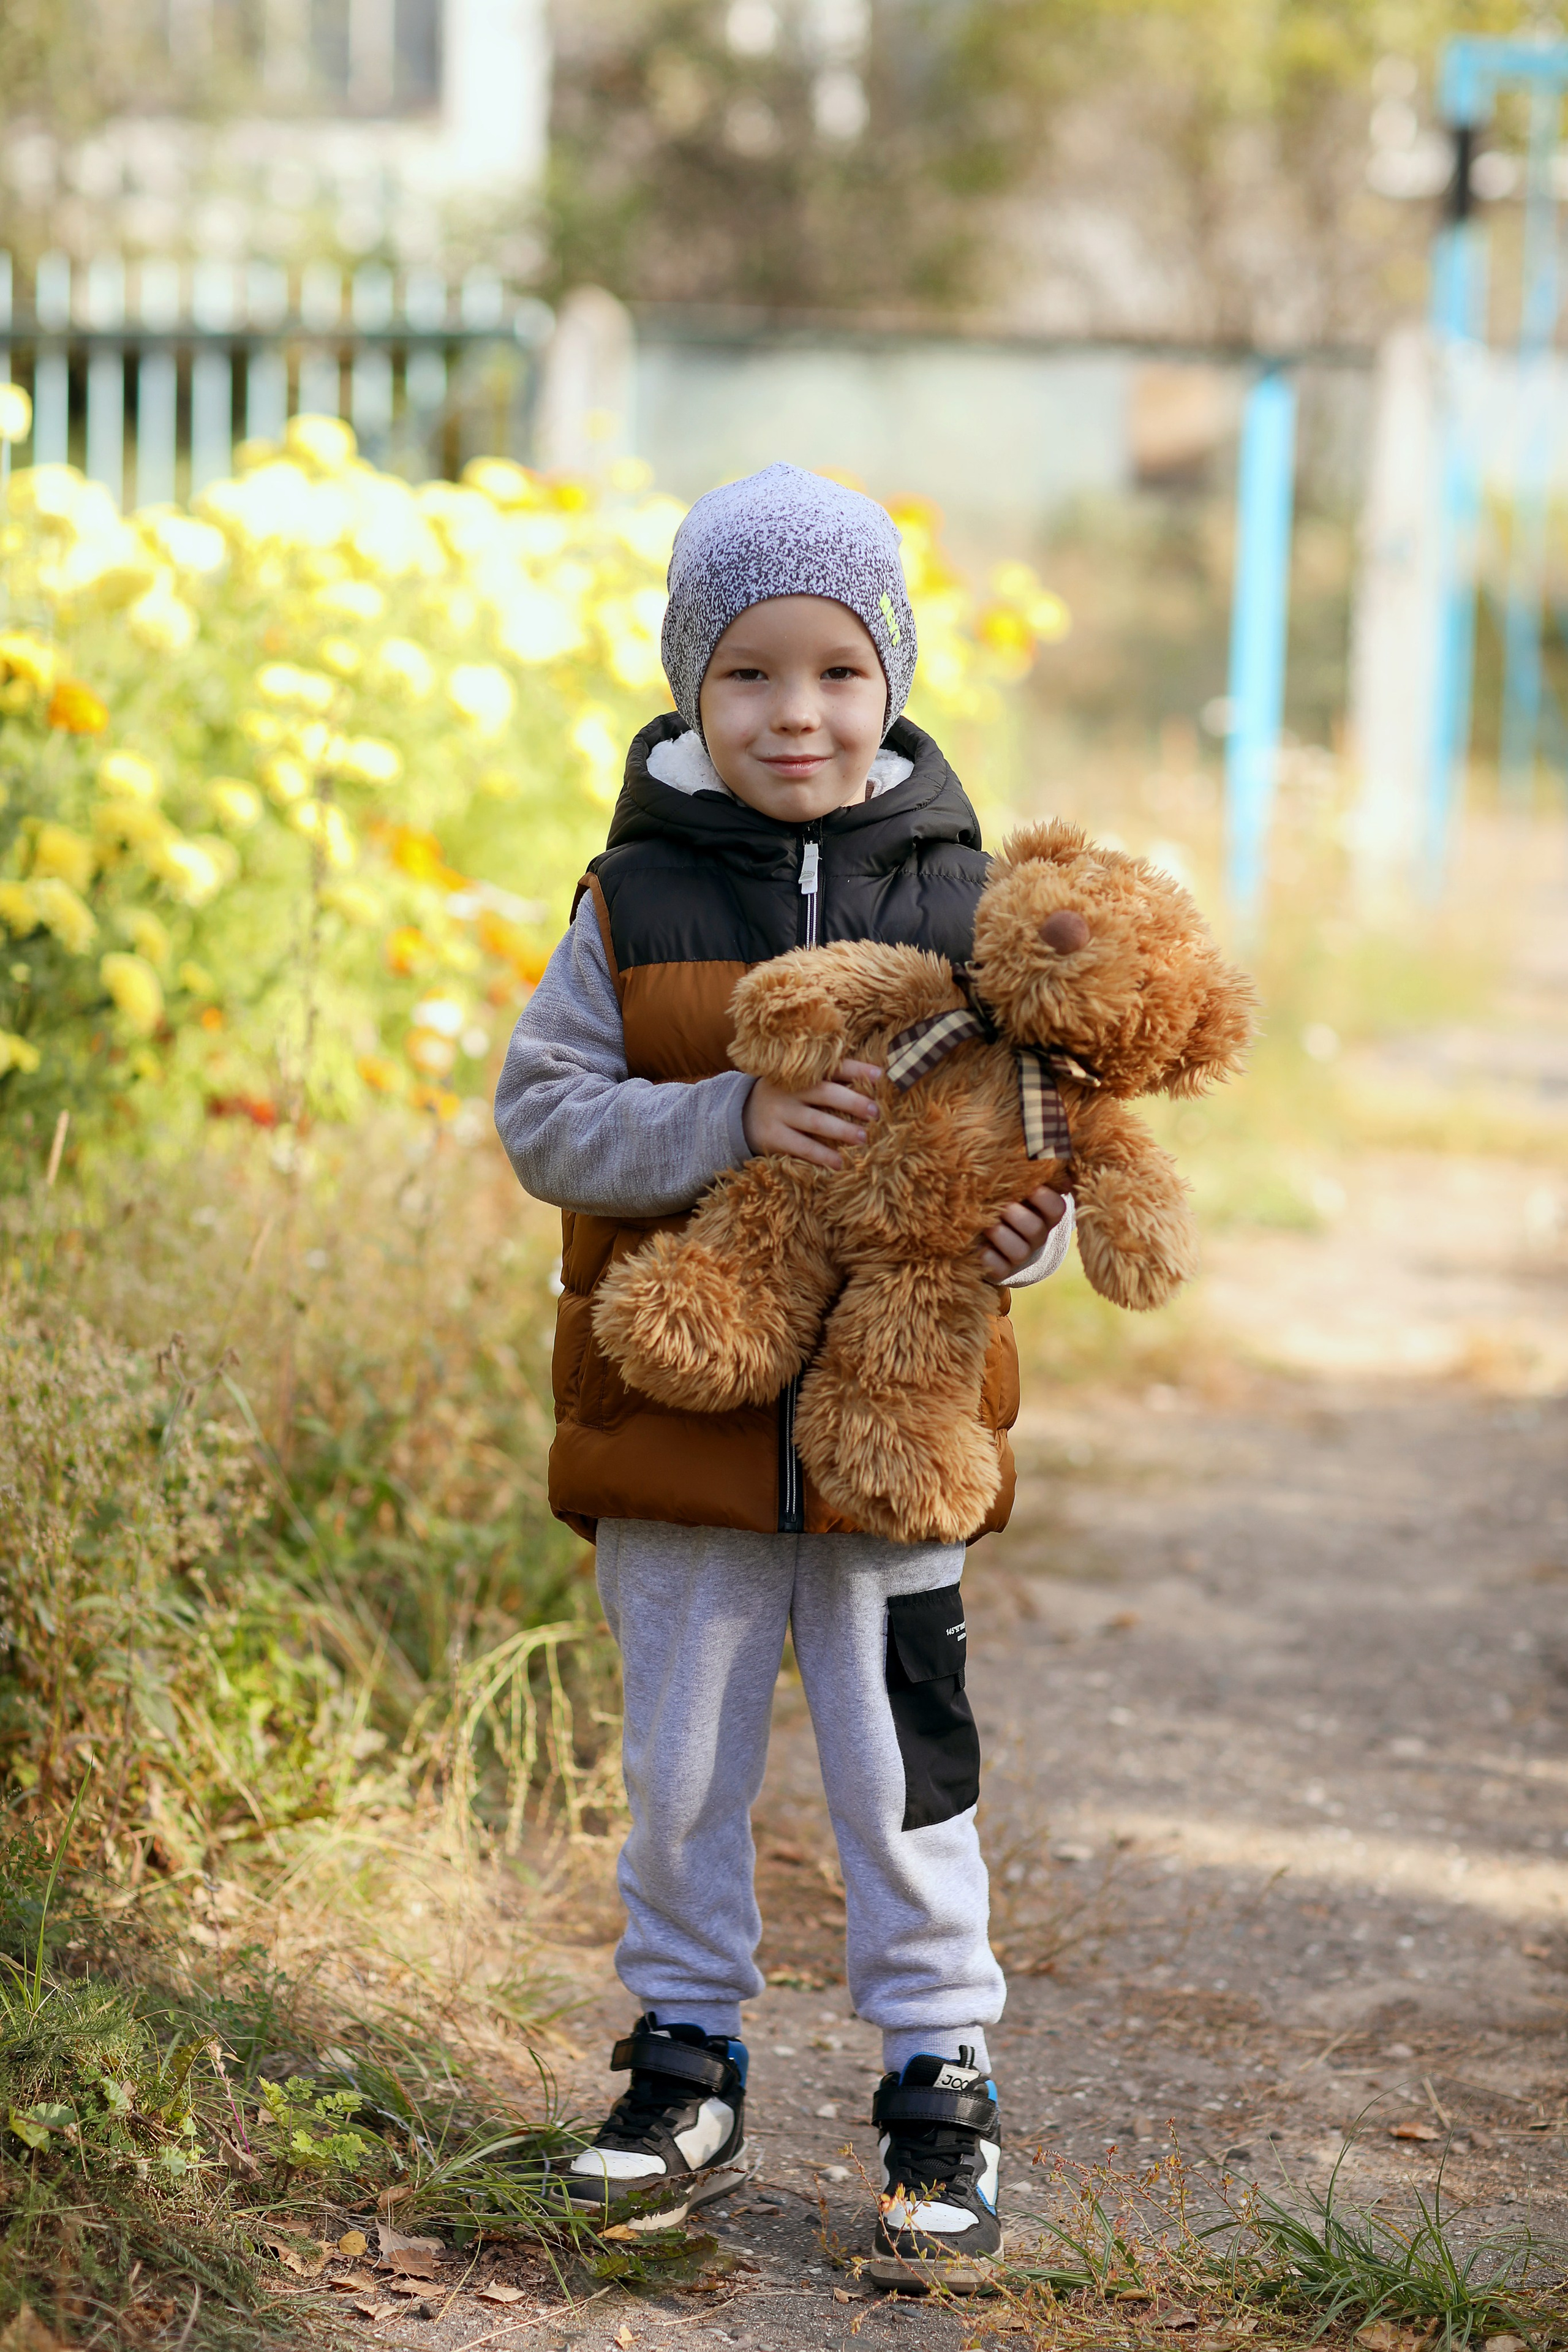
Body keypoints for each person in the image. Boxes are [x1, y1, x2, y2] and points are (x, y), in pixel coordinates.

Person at [494, 462, 1072, 2270]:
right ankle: (684, 2070)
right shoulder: (628, 900)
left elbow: (1040, 1136)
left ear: (890, 676)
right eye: (747, 673)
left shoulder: (978, 906)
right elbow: (543, 1119)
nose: (796, 712)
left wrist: (1022, 1238)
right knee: (678, 1772)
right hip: (680, 1433)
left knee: (911, 1776)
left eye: (835, 670)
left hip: (900, 1442)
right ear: (689, 686)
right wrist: (728, 1119)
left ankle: (939, 2083)